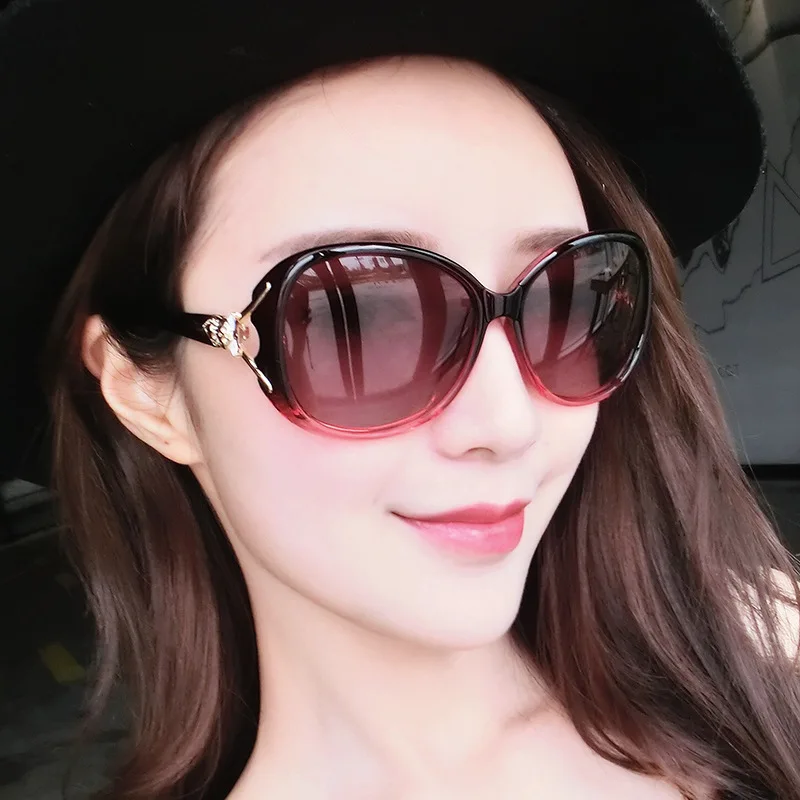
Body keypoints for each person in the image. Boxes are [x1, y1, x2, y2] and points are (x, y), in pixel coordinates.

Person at [0, 1, 798, 798]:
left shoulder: (768, 684)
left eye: (566, 297)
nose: (508, 422)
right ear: (146, 392)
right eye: (360, 318)